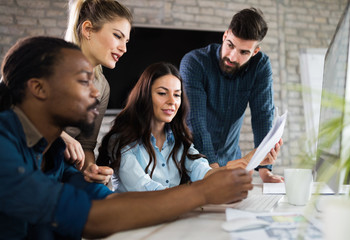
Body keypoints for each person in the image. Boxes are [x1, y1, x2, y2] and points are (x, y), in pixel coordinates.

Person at [0, 36, 253, 239]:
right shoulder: (4, 146)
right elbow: (93, 218)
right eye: (83, 80)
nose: (96, 91)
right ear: (39, 88)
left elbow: (108, 202)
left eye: (176, 95)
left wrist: (219, 177)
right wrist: (203, 193)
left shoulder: (58, 155)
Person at [96, 62, 279, 192]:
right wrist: (194, 193)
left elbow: (204, 174)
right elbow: (146, 190)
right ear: (144, 95)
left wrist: (247, 161)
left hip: (172, 221)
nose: (171, 102)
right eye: (162, 93)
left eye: (177, 95)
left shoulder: (179, 141)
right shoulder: (121, 140)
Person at [179, 8, 283, 183]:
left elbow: (262, 115)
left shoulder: (260, 66)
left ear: (255, 51)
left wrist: (265, 170)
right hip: (192, 164)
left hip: (233, 161)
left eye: (244, 52)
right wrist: (213, 172)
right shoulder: (194, 62)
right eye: (230, 45)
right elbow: (195, 120)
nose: (233, 57)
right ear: (225, 35)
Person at [62, 0, 132, 184]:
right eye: (118, 36)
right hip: (23, 162)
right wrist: (61, 137)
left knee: (104, 193)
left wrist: (92, 170)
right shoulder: (46, 61)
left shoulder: (102, 87)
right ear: (88, 30)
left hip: (63, 171)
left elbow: (86, 146)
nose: (124, 49)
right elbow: (8, 110)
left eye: (126, 41)